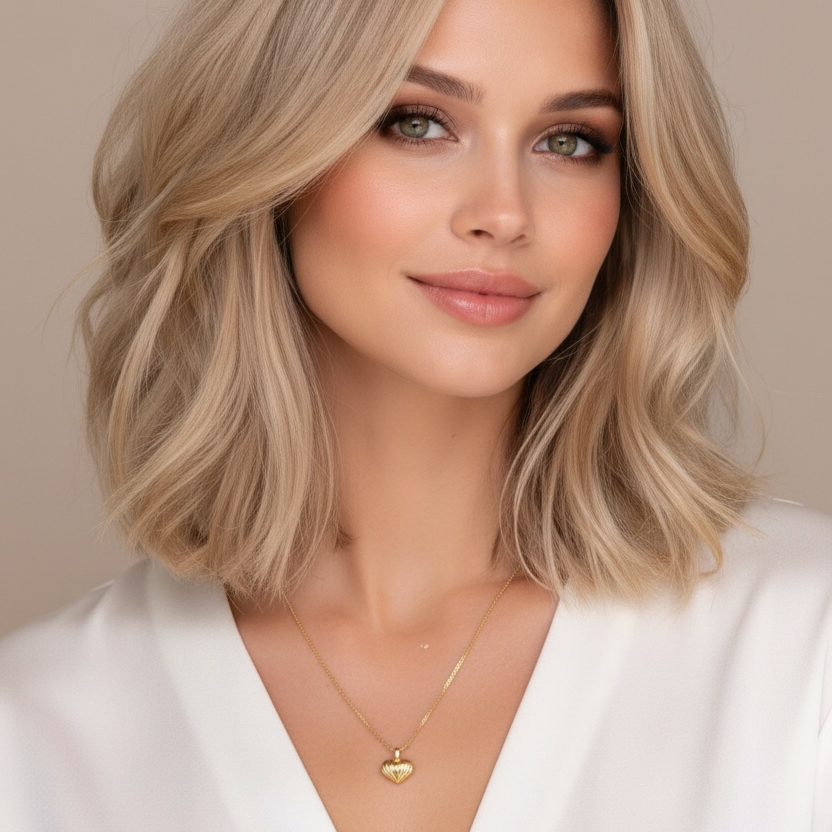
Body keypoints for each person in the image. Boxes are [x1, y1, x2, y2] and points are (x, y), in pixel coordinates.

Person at [1, 0, 830, 829]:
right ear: (271, 153)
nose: (504, 213)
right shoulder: (38, 733)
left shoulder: (801, 642)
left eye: (569, 140)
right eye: (419, 123)